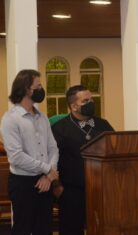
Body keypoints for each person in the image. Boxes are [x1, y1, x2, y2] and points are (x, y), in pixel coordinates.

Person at [0, 69, 59, 235]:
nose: (41, 89)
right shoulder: (10, 119)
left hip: (46, 180)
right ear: (27, 89)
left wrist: (48, 176)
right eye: (38, 86)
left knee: (45, 229)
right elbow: (16, 157)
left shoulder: (43, 117)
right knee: (22, 229)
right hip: (22, 183)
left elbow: (53, 148)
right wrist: (47, 170)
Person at [51, 85, 114, 235]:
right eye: (85, 101)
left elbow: (114, 150)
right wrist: (57, 185)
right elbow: (52, 159)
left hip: (102, 190)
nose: (91, 103)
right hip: (71, 191)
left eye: (91, 99)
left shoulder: (103, 124)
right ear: (73, 106)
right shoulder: (60, 128)